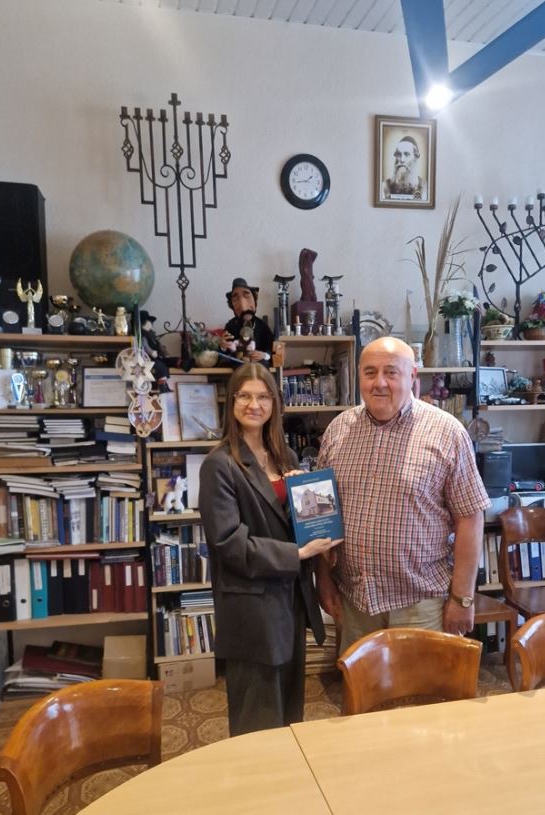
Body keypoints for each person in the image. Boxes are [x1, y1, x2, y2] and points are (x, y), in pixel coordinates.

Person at [316, 337, 490, 654]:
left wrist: (462, 598)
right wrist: (324, 579)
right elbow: (323, 515)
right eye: (370, 372)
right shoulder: (338, 430)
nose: (379, 382)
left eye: (391, 372)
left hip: (421, 606)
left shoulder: (447, 433)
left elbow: (470, 518)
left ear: (412, 377)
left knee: (423, 687)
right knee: (362, 686)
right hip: (356, 604)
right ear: (359, 376)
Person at [199, 363, 341, 736]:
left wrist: (303, 502)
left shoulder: (284, 457)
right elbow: (229, 543)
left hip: (290, 601)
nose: (254, 405)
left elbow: (286, 525)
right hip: (252, 609)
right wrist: (298, 554)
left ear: (275, 403)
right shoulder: (219, 465)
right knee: (257, 721)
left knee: (290, 713)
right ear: (231, 403)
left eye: (263, 396)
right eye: (244, 396)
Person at [221, 277, 275, 365]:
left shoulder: (261, 325)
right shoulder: (231, 325)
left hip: (259, 364)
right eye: (235, 299)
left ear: (254, 299)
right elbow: (225, 353)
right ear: (232, 306)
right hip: (239, 363)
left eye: (247, 296)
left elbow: (271, 346)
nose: (243, 306)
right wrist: (223, 346)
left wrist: (265, 355)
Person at [382, 135, 426, 200]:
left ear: (416, 157)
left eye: (406, 154)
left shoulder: (426, 188)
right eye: (398, 154)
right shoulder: (384, 187)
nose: (402, 160)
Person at [139, 310, 170, 392]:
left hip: (157, 356)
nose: (151, 323)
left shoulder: (151, 334)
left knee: (166, 363)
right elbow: (144, 345)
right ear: (143, 322)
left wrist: (163, 351)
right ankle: (162, 386)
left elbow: (158, 344)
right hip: (148, 359)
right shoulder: (142, 334)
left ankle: (164, 385)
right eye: (149, 321)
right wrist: (151, 352)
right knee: (160, 366)